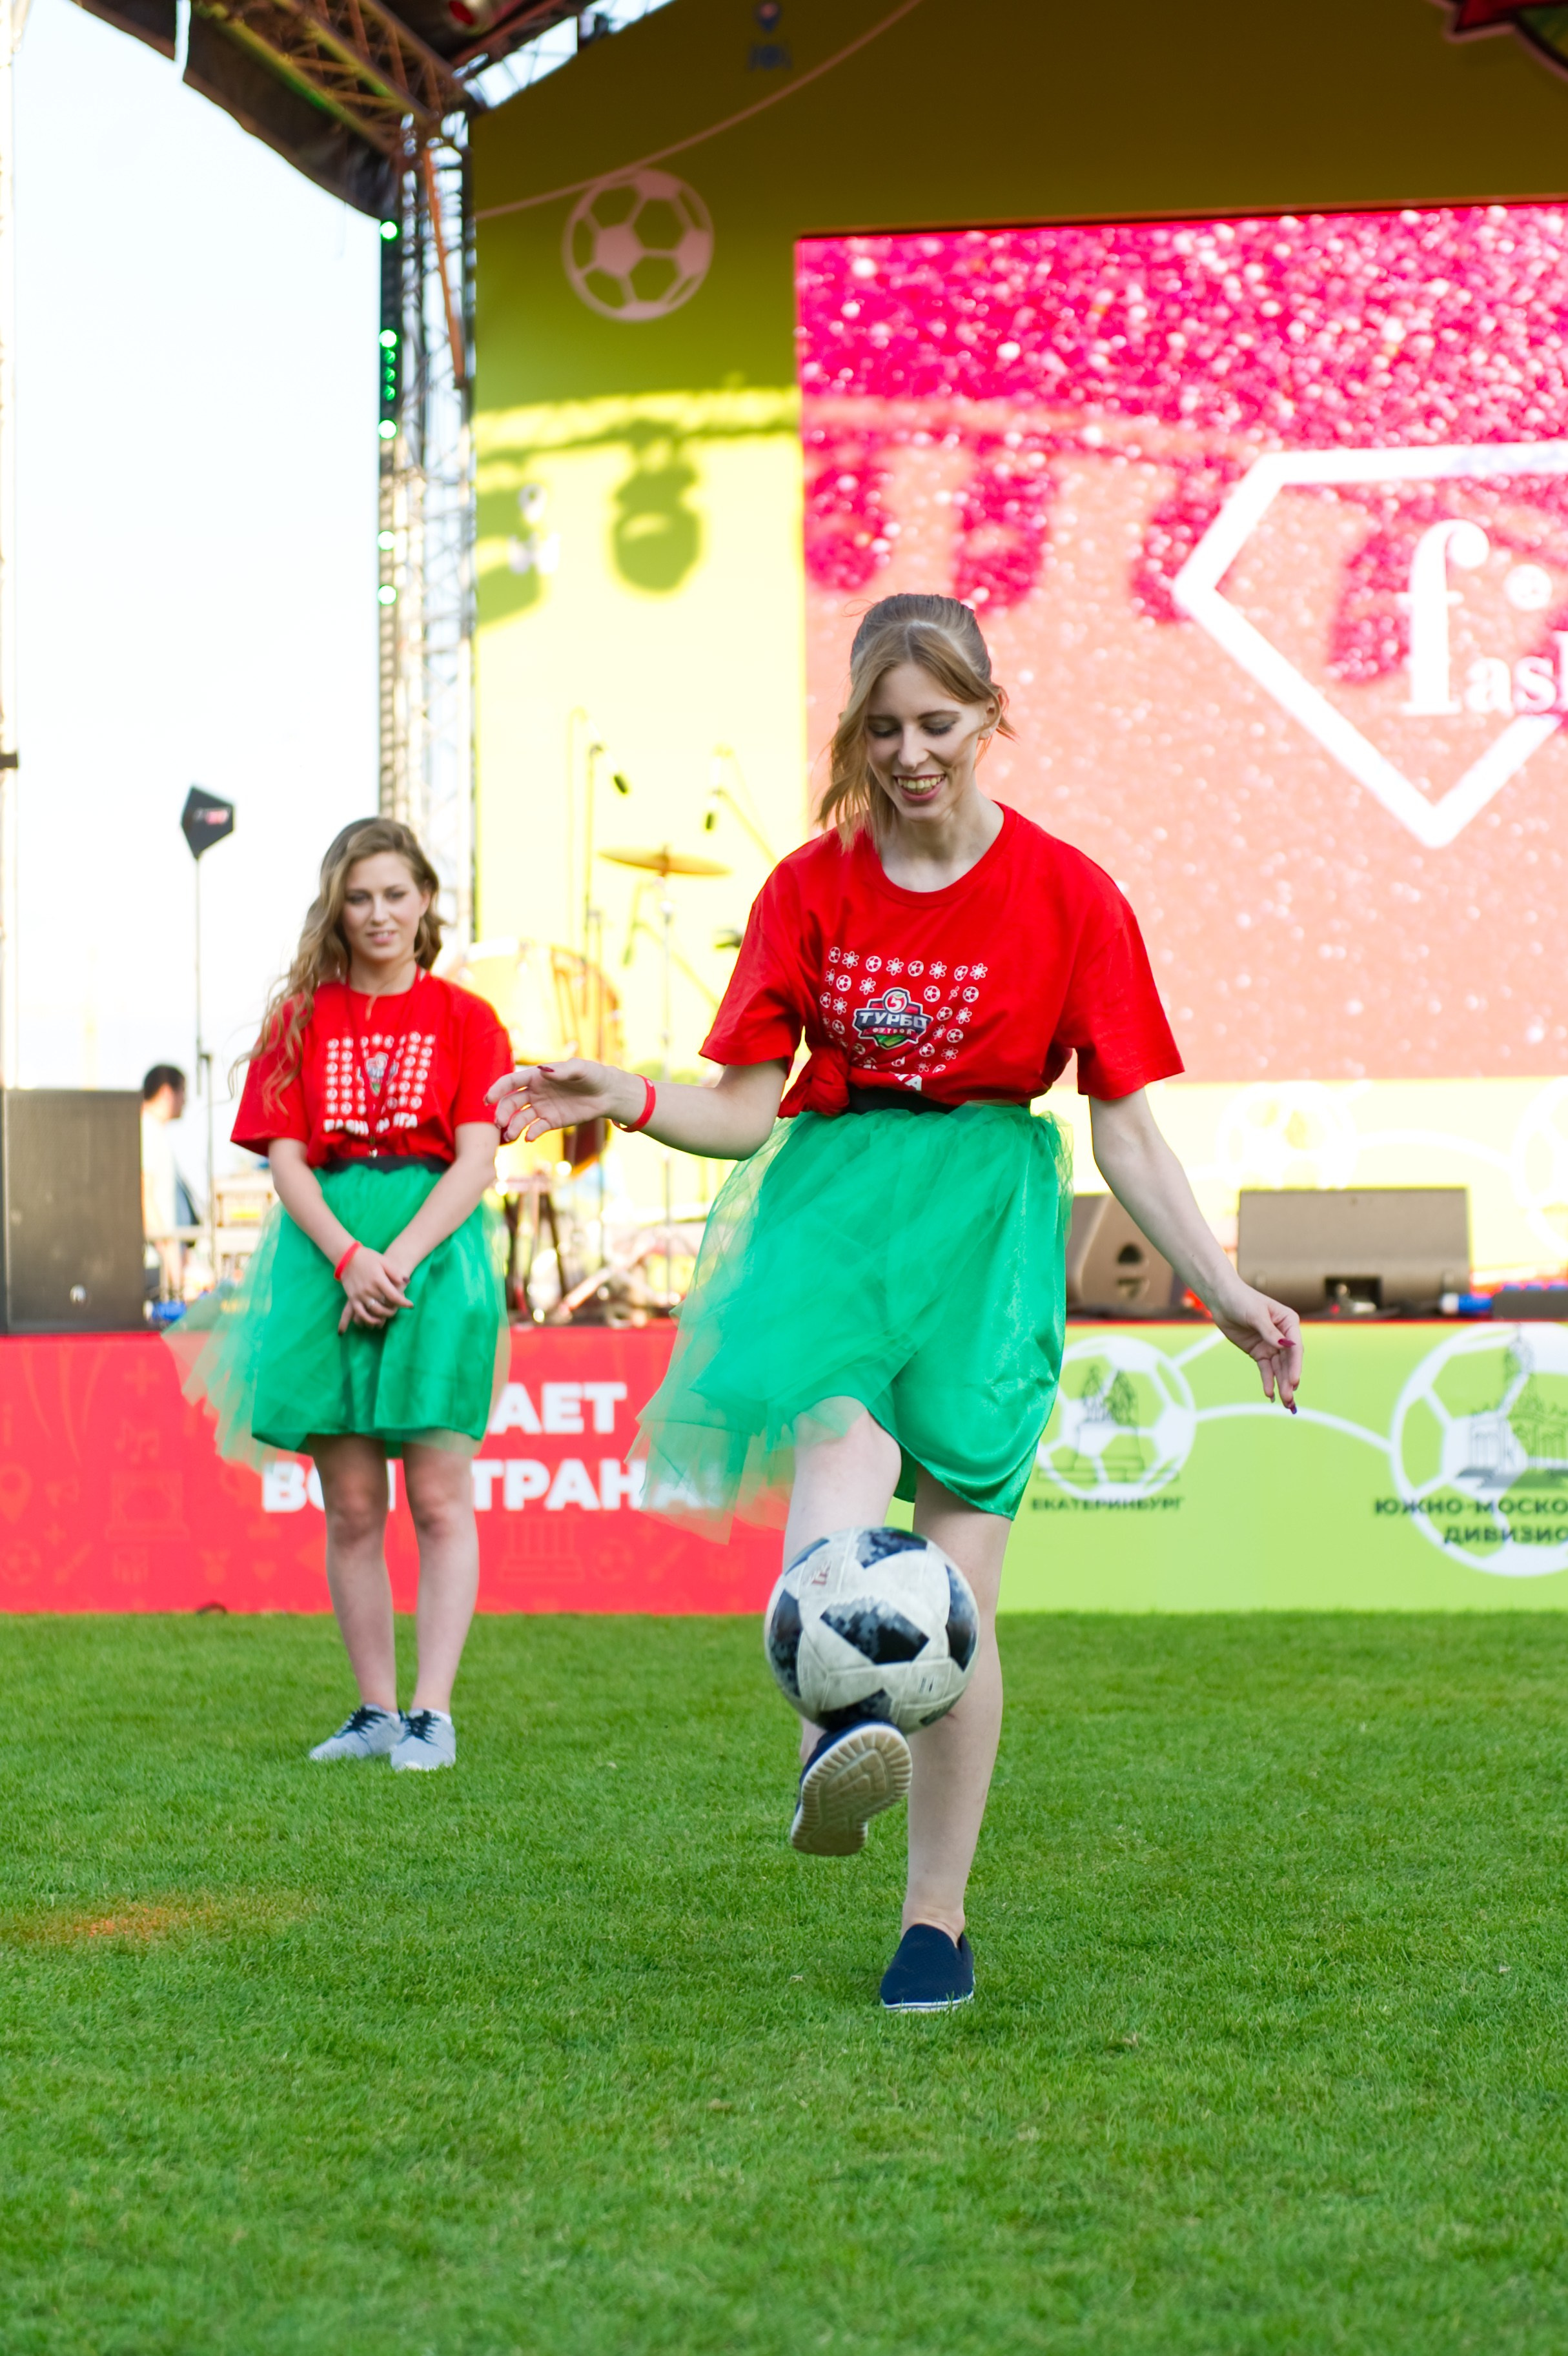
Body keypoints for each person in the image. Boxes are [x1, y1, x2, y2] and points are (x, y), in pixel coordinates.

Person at [489, 593, 1302, 2009]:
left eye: (935, 723)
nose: (909, 754)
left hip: (986, 1231)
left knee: (956, 1591)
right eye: (881, 730)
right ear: (853, 737)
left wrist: (1221, 1287)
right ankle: (831, 1717)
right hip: (837, 1210)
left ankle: (934, 1919)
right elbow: (743, 1111)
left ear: (988, 715)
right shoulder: (807, 887)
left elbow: (1123, 1129)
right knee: (837, 1441)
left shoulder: (1071, 895)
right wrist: (621, 1092)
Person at [178, 818, 511, 1771]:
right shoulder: (298, 1018)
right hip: (324, 1263)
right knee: (354, 1505)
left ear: (425, 899)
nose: (378, 914)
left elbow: (477, 1159)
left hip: (434, 1261)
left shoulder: (469, 1017)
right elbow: (284, 1160)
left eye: (396, 894)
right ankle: (374, 1711)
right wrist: (349, 1258)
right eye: (359, 897)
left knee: (439, 1497)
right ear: (336, 906)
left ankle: (431, 1713)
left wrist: (394, 1259)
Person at [141, 1064, 198, 1299]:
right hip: (157, 1263)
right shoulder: (147, 1129)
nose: (186, 1100)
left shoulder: (154, 1131)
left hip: (164, 1260)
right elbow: (144, 1196)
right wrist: (169, 1252)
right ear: (167, 1092)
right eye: (183, 1091)